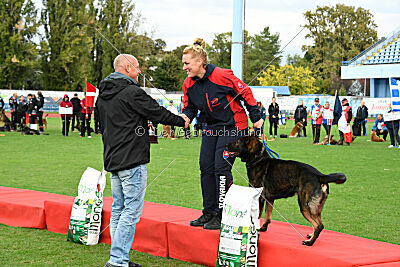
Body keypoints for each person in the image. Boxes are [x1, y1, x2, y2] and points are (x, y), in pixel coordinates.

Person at [96, 54, 187, 267]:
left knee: (119, 207)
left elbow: (100, 124)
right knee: (131, 210)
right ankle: (118, 260)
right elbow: (156, 112)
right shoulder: (132, 92)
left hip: (112, 157)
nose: (139, 73)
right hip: (132, 159)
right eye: (137, 68)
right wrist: (180, 121)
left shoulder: (103, 95)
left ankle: (117, 258)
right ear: (127, 68)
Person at [180, 38, 263, 230]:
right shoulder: (188, 84)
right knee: (205, 166)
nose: (184, 67)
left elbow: (246, 92)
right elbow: (190, 108)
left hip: (234, 126)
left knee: (221, 167)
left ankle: (222, 212)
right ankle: (209, 212)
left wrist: (255, 116)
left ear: (200, 61)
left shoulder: (222, 75)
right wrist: (184, 118)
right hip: (211, 127)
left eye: (187, 63)